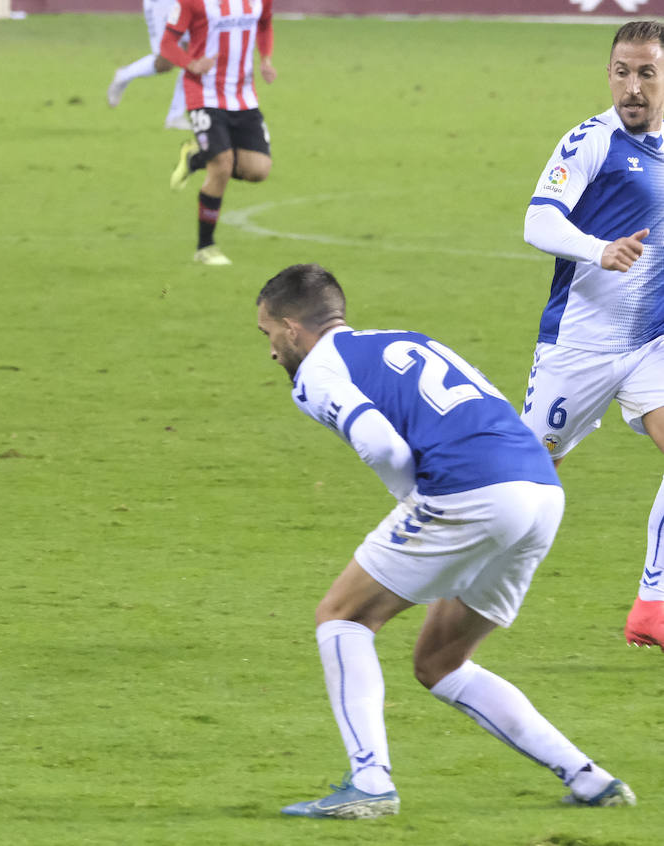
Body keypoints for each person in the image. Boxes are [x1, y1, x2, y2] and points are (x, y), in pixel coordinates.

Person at [257, 264, 634, 818]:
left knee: (342, 617)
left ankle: (369, 783)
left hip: (470, 492)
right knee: (441, 662)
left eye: (267, 334)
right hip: (540, 491)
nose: (270, 352)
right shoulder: (407, 338)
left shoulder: (317, 373)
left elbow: (382, 447)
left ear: (292, 328)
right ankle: (589, 778)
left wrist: (415, 502)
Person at [519, 20, 664, 648]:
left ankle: (651, 609)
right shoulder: (590, 142)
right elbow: (536, 221)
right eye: (622, 72)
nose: (633, 87)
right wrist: (597, 249)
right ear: (609, 75)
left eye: (647, 73)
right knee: (517, 486)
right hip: (576, 350)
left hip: (649, 345)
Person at [158, 0, 275, 267]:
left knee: (259, 170)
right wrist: (191, 63)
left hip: (244, 98)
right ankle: (205, 246)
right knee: (221, 166)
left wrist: (266, 59)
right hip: (204, 95)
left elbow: (265, 23)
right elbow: (167, 44)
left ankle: (195, 158)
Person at [105, 0, 191, 131]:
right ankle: (124, 75)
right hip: (163, 4)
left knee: (193, 53)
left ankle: (176, 116)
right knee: (165, 61)